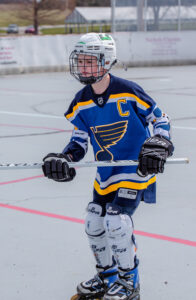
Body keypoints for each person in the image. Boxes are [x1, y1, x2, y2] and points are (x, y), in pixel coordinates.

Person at [42, 33, 174, 300]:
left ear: (107, 62)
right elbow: (78, 142)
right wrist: (64, 159)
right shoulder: (80, 102)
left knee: (116, 221)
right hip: (106, 175)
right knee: (93, 220)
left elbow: (161, 119)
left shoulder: (128, 91)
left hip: (135, 171)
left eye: (90, 61)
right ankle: (107, 276)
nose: (83, 67)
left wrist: (160, 142)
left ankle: (129, 283)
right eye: (81, 61)